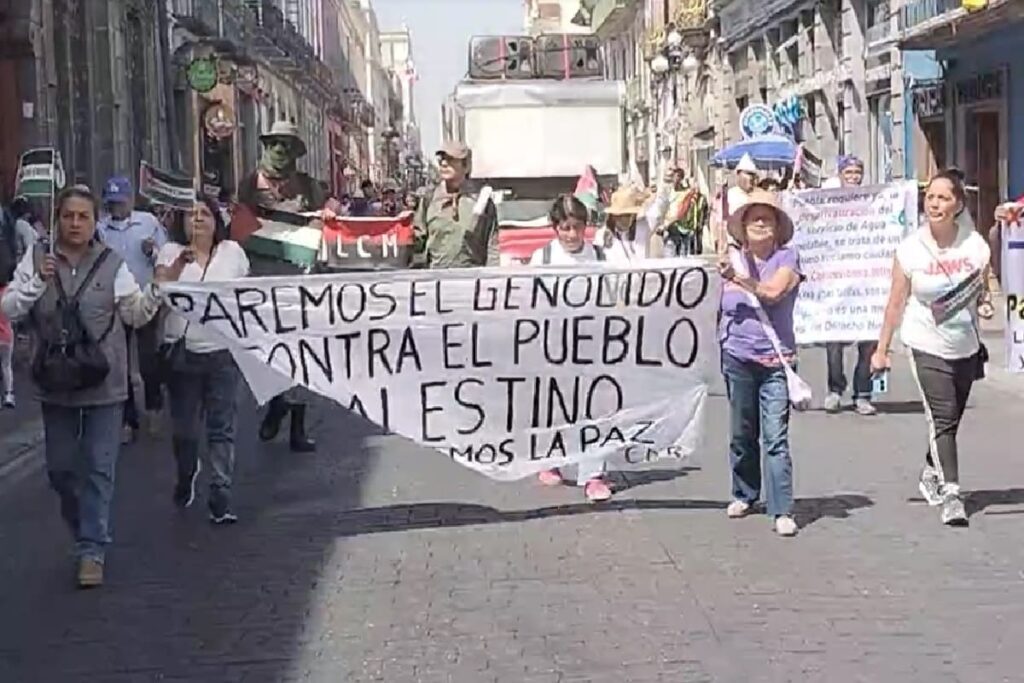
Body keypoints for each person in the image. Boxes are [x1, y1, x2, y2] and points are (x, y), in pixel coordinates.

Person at [1, 185, 188, 587]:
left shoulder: (113, 264)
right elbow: (10, 309)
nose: (75, 223)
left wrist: (159, 286)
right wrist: (36, 281)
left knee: (99, 469)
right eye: (68, 215)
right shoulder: (37, 260)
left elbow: (135, 316)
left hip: (105, 381)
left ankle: (92, 550)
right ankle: (83, 523)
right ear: (58, 219)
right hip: (55, 382)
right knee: (61, 470)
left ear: (94, 222)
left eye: (83, 216)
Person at [871, 170, 990, 528]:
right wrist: (882, 349)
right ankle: (952, 495)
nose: (934, 203)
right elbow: (896, 301)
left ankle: (931, 469)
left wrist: (984, 304)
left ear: (958, 205)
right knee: (941, 417)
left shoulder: (975, 245)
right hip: (924, 341)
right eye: (930, 197)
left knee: (951, 419)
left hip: (965, 345)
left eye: (943, 198)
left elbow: (982, 292)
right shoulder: (910, 249)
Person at [156, 198, 249, 523]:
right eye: (191, 215)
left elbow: (248, 296)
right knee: (184, 431)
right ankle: (187, 472)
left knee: (221, 428)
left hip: (222, 355)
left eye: (204, 214)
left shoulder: (233, 254)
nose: (198, 220)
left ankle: (220, 492)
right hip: (183, 358)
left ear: (216, 221)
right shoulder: (170, 252)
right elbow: (159, 290)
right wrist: (181, 263)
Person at [717, 189, 802, 537]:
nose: (761, 224)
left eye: (768, 219)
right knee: (741, 433)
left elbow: (772, 292)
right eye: (755, 219)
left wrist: (736, 278)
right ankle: (745, 493)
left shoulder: (789, 258)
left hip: (776, 361)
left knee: (775, 438)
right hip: (736, 356)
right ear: (743, 227)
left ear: (778, 228)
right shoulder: (729, 261)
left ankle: (781, 509)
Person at [234, 120, 321, 453]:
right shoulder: (248, 185)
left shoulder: (308, 185)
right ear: (266, 147)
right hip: (260, 277)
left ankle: (298, 427)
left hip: (297, 277)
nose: (281, 151)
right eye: (276, 144)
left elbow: (321, 221)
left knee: (301, 351)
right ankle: (275, 402)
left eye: (288, 145)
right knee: (266, 349)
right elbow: (238, 226)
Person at [528, 195, 612, 501]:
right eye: (565, 228)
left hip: (593, 343)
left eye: (577, 228)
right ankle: (551, 460)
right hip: (553, 342)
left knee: (594, 407)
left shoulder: (601, 257)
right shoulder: (543, 258)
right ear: (555, 228)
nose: (572, 235)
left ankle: (592, 474)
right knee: (555, 405)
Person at [96, 176, 168, 443]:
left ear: (131, 201)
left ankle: (154, 404)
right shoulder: (101, 230)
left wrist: (153, 251)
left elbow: (166, 255)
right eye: (112, 204)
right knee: (120, 363)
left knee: (149, 358)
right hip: (115, 304)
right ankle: (129, 420)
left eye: (121, 202)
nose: (117, 208)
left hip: (146, 299)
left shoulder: (148, 222)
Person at [820, 155, 879, 416]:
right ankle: (835, 389)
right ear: (840, 174)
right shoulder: (828, 204)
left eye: (857, 172)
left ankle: (863, 393)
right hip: (836, 282)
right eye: (849, 172)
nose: (853, 176)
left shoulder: (873, 202)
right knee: (834, 342)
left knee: (869, 341)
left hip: (866, 282)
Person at [413, 141, 499, 268]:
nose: (443, 163)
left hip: (472, 280)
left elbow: (492, 245)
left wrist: (492, 278)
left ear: (465, 166)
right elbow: (417, 243)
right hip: (436, 280)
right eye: (441, 159)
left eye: (451, 159)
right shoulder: (429, 198)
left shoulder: (481, 200)